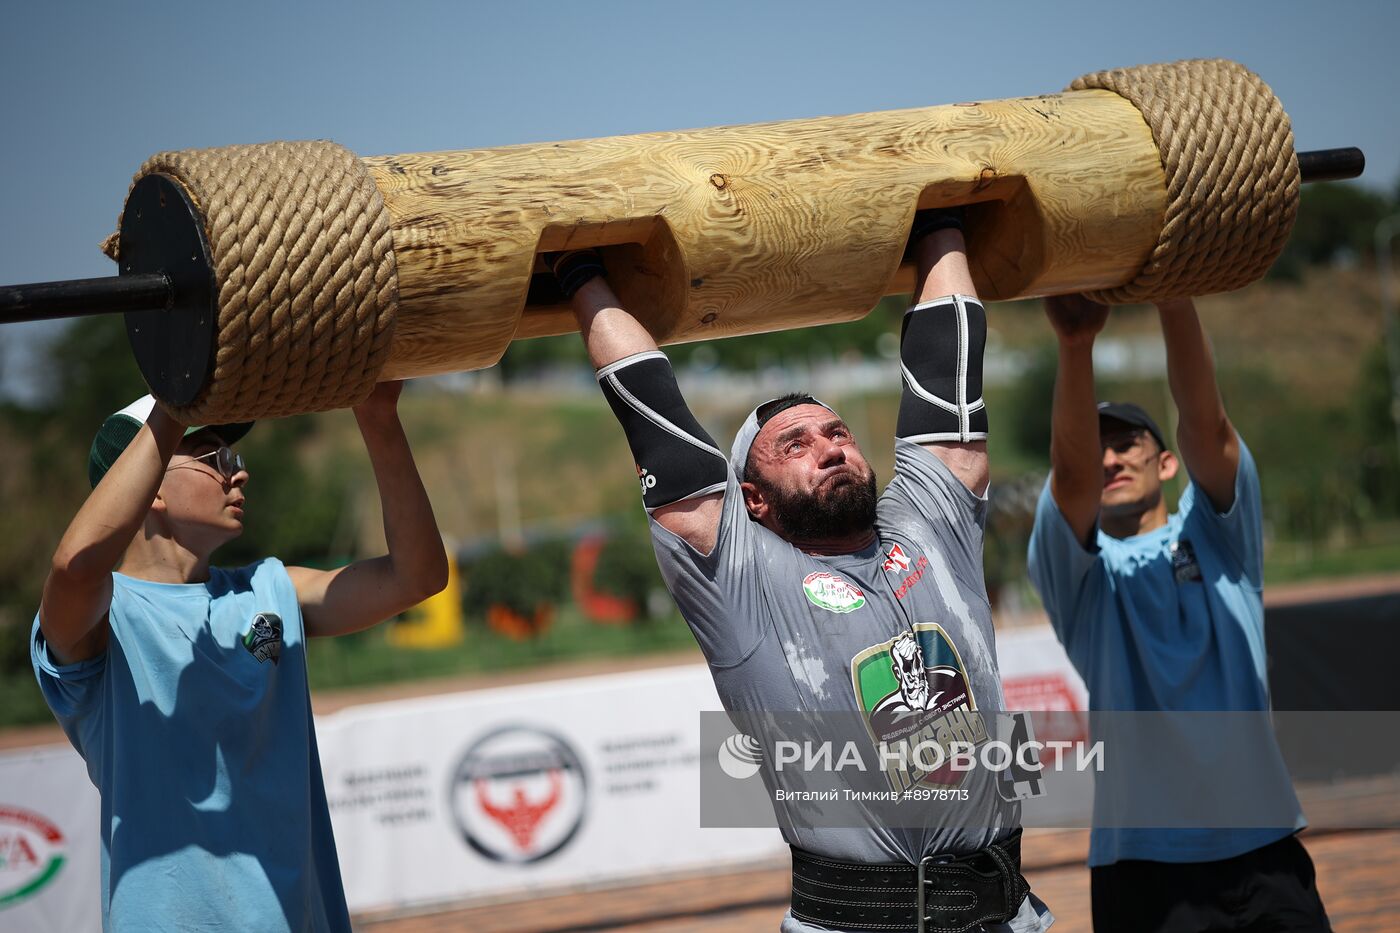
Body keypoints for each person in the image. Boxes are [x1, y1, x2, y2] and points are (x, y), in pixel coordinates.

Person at [546, 210, 1053, 933]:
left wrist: (942, 219)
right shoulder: (745, 583)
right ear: (752, 498)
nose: (830, 447)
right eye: (796, 443)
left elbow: (949, 377)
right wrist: (580, 273)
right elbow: (658, 424)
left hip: (1003, 916)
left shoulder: (928, 526)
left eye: (839, 431)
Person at [32, 382, 447, 932]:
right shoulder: (100, 615)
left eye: (235, 455)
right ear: (151, 486)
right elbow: (74, 567)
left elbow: (417, 577)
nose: (239, 471)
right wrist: (174, 404)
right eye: (214, 456)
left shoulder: (270, 589)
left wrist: (376, 415)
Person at [1026, 294, 1331, 932]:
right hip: (1141, 866)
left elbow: (1207, 425)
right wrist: (1075, 345)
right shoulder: (1081, 574)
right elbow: (1072, 474)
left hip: (1263, 851)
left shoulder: (1221, 537)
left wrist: (1174, 292)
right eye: (1098, 444)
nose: (1108, 458)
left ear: (1166, 463)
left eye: (1127, 443)